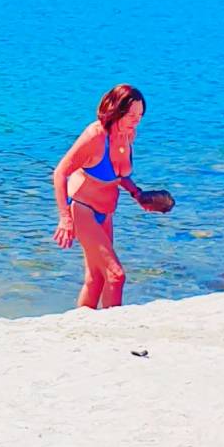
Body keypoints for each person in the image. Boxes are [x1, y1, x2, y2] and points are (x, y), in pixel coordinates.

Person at [51, 84, 156, 309]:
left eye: (140, 115)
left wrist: (138, 194)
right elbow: (60, 172)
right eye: (131, 114)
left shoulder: (129, 134)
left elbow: (118, 176)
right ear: (116, 110)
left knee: (96, 278)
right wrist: (64, 218)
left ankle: (81, 329)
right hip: (82, 210)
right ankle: (114, 329)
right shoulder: (95, 136)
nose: (136, 120)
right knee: (116, 275)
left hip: (106, 213)